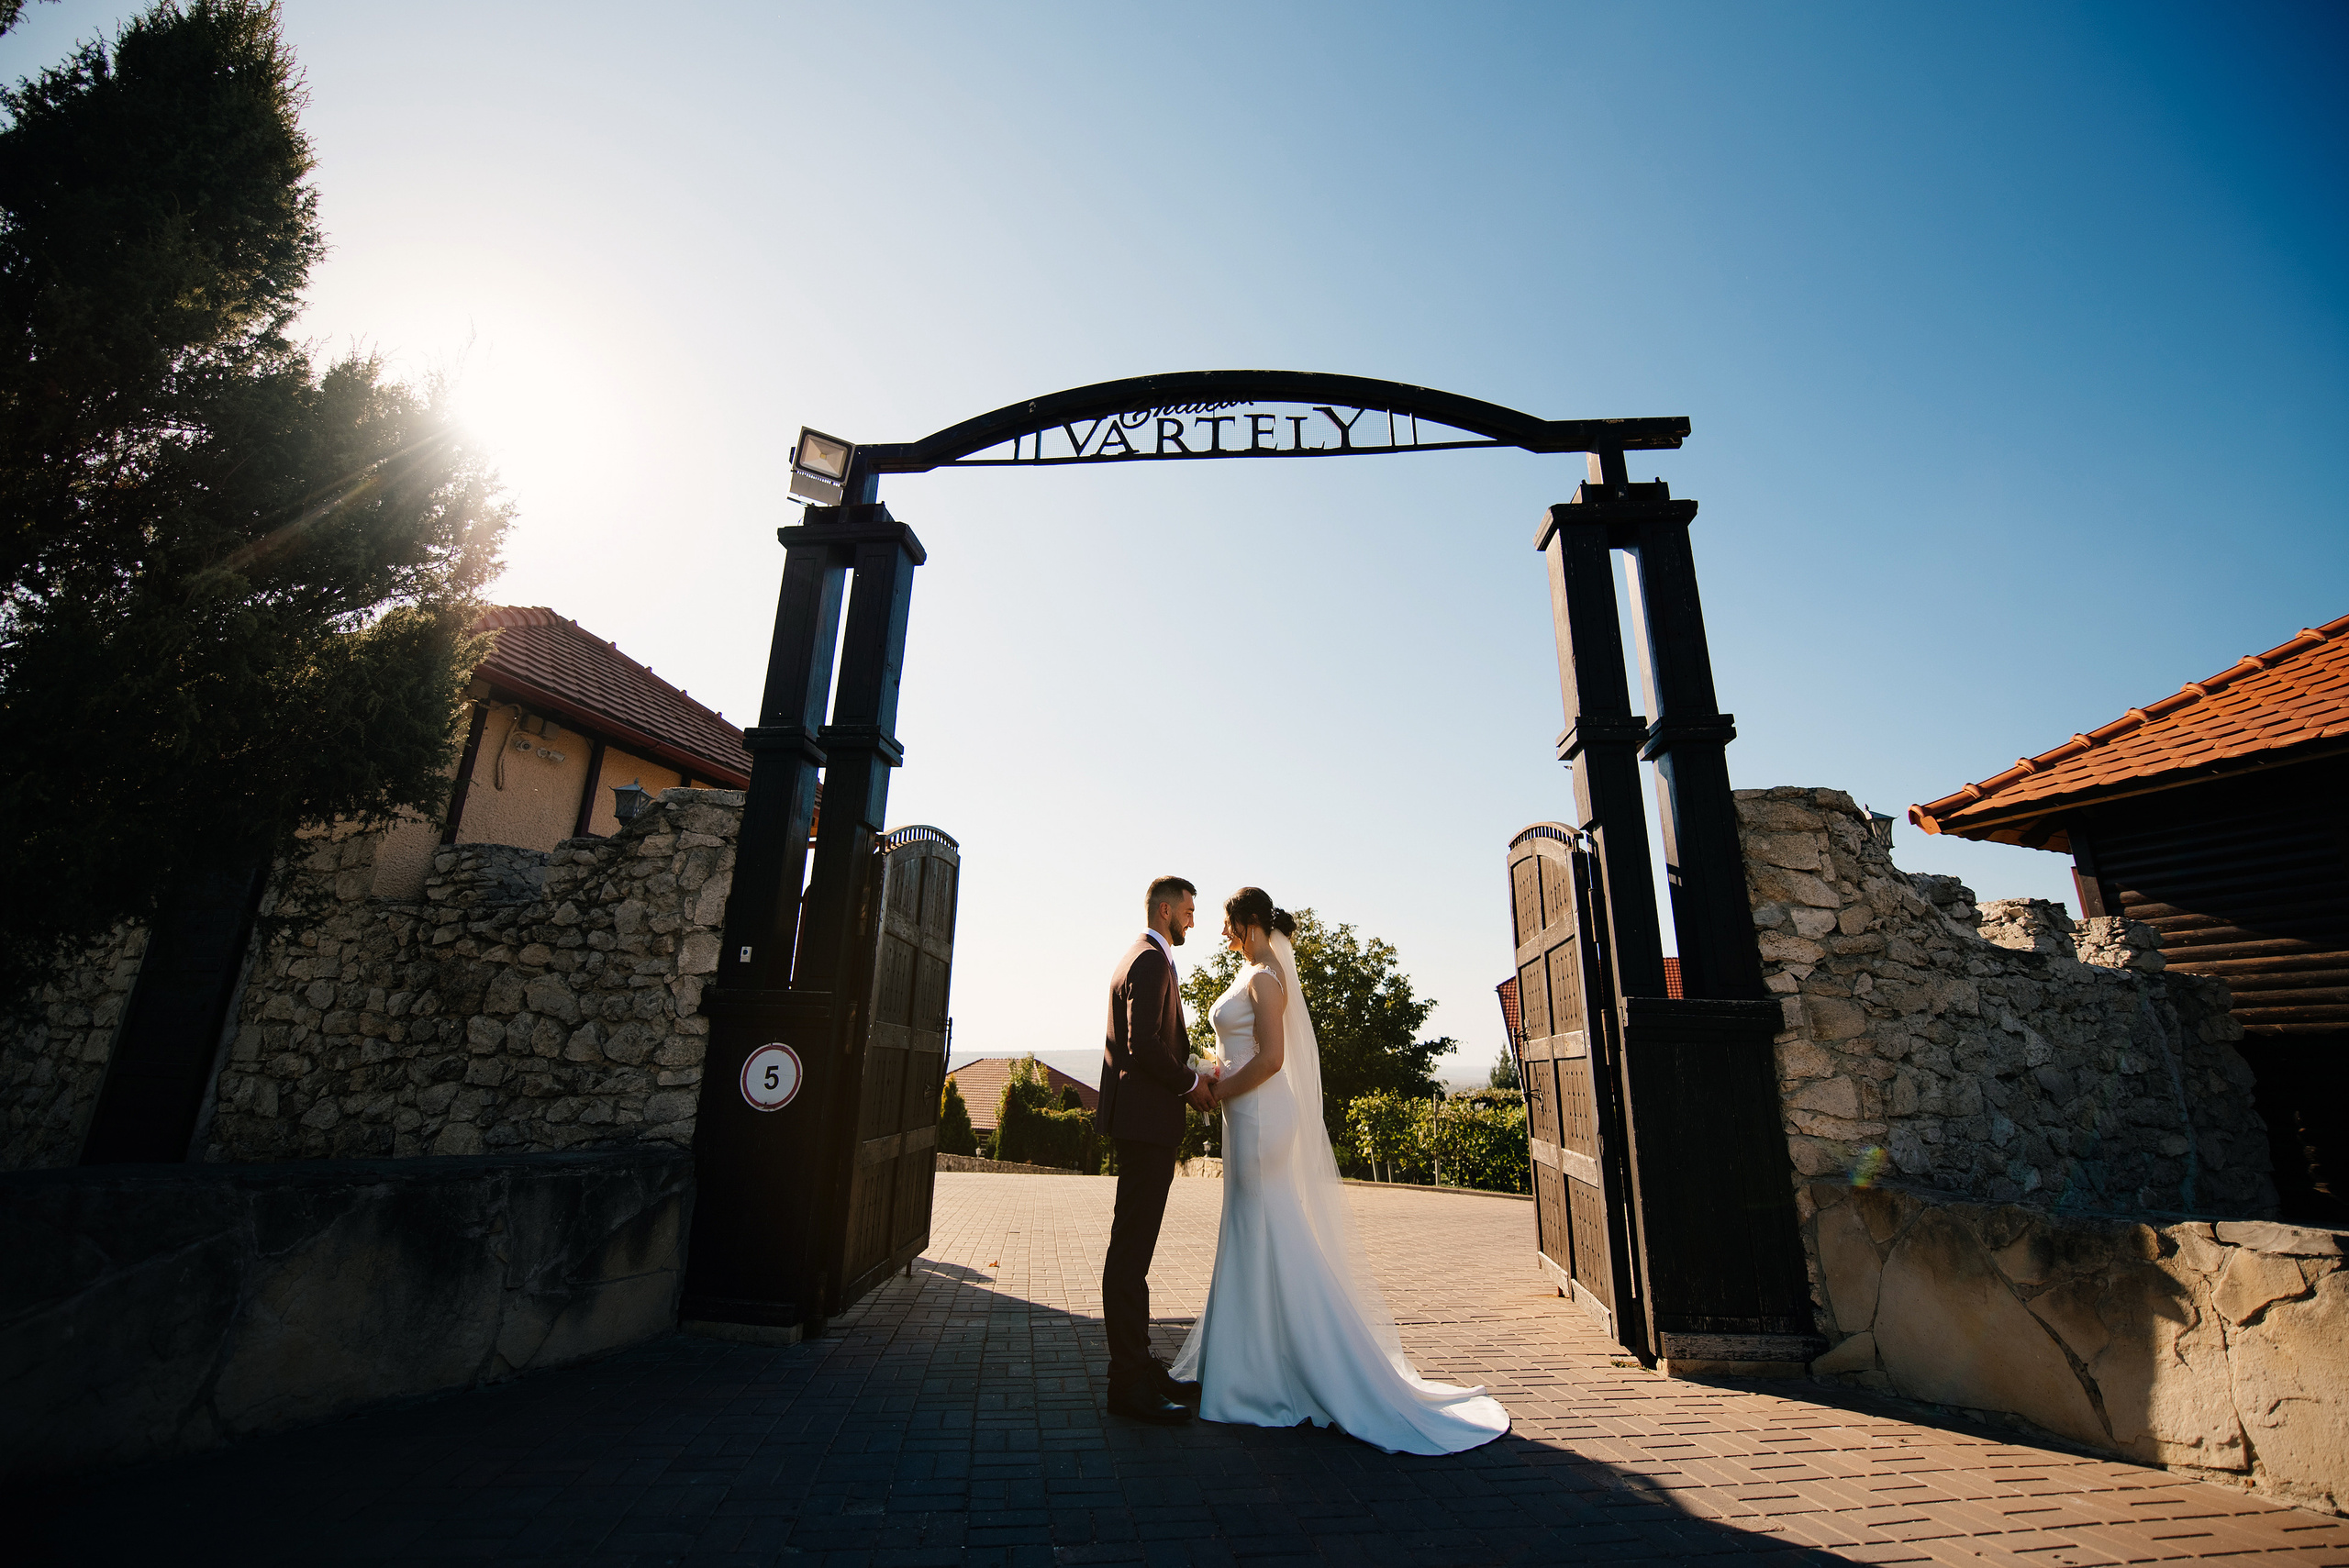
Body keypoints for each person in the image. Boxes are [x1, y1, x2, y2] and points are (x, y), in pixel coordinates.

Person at [1171, 886, 1509, 1454]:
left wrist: (1219, 1089)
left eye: (1229, 925)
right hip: (1245, 1113)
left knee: (1262, 1226)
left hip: (1257, 1116)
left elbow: (1274, 1059)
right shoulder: (1256, 971)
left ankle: (1266, 1374)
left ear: (1251, 923)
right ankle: (1247, 1362)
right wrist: (1210, 1070)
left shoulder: (1263, 979)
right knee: (1254, 1227)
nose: (1223, 935)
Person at [1097, 874, 1219, 1424]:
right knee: (1129, 1254)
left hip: (1145, 1123)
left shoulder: (1146, 957)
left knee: (1136, 1253)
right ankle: (1126, 1383)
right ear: (1165, 909)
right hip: (1146, 1125)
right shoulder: (1148, 960)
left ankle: (1141, 1364)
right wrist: (1191, 1086)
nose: (1193, 918)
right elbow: (1141, 1043)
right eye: (1188, 910)